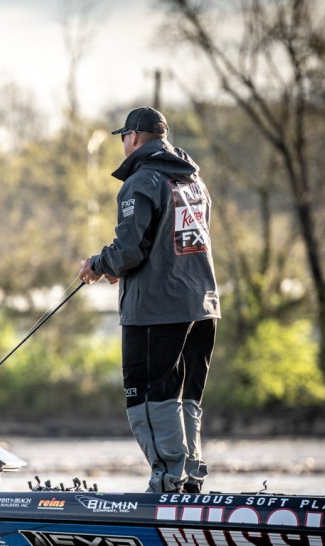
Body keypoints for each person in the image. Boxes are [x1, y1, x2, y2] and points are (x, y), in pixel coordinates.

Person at [77, 106, 220, 494]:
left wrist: (98, 264)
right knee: (184, 395)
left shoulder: (141, 181)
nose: (124, 143)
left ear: (135, 137)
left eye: (124, 136)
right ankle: (189, 480)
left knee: (148, 394)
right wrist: (119, 267)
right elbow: (167, 244)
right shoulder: (193, 182)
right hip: (202, 306)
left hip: (157, 310)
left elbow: (129, 250)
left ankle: (167, 481)